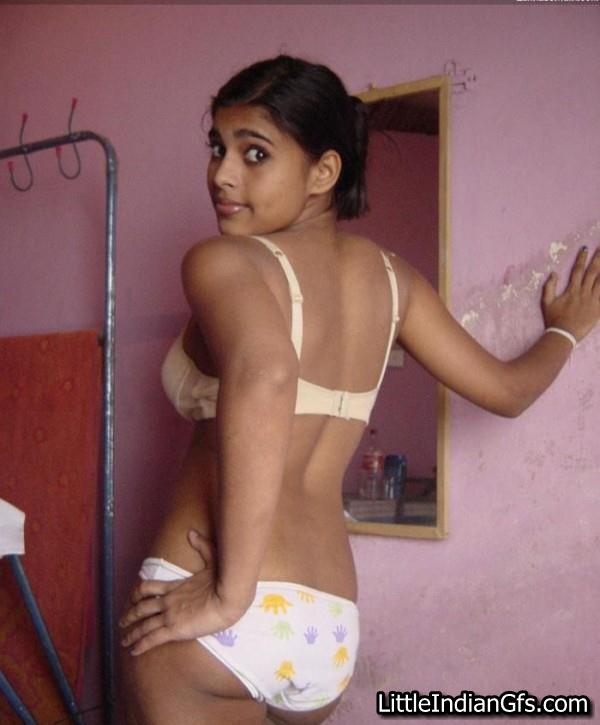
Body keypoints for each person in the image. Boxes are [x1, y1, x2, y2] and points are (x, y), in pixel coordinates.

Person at [118, 54, 600, 724]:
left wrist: (231, 595)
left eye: (254, 153)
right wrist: (568, 331)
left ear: (324, 172)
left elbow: (267, 373)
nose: (222, 174)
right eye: (217, 146)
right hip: (328, 621)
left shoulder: (222, 261)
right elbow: (508, 390)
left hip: (219, 611)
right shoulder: (395, 281)